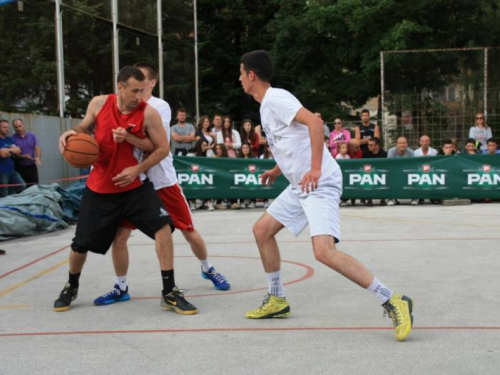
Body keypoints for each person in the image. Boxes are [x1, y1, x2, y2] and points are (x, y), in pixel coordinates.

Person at [239, 50, 413, 341]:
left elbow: (316, 124)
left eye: (241, 73)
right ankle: (277, 299)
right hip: (300, 184)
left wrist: (317, 168)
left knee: (323, 252)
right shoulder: (266, 106)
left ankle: (392, 298)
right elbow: (292, 144)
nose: (239, 78)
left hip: (318, 183)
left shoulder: (277, 99)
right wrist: (276, 169)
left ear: (251, 75)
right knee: (262, 230)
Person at [53, 66, 197, 314]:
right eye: (134, 91)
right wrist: (71, 133)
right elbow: (84, 128)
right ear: (120, 87)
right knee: (80, 244)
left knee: (164, 228)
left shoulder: (147, 113)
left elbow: (162, 148)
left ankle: (169, 292)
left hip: (133, 186)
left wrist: (137, 168)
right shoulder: (99, 104)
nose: (139, 96)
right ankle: (71, 285)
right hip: (100, 188)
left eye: (142, 91)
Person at [92, 63, 229, 308]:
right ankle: (120, 286)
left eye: (141, 78)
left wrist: (127, 137)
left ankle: (207, 268)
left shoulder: (158, 107)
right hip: (135, 184)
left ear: (151, 83)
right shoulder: (117, 105)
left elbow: (159, 145)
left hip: (162, 181)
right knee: (120, 237)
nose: (137, 83)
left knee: (189, 231)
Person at [387, 136, 417, 206]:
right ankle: (390, 198)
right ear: (397, 144)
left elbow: (414, 164)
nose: (402, 145)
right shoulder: (391, 151)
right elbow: (390, 164)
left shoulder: (411, 152)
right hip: (395, 173)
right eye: (400, 143)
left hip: (407, 172)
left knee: (414, 176)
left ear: (407, 144)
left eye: (404, 143)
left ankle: (414, 198)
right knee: (389, 178)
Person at [11, 118, 42, 185]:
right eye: (16, 127)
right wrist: (23, 156)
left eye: (20, 126)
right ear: (14, 128)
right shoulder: (12, 139)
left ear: (23, 125)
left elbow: (37, 147)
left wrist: (38, 158)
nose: (18, 128)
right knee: (22, 190)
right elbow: (14, 154)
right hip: (19, 168)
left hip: (31, 167)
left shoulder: (32, 136)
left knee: (34, 187)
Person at [0, 119, 25, 198]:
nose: (7, 129)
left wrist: (8, 151)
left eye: (8, 127)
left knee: (22, 185)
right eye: (4, 127)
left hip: (12, 170)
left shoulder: (9, 139)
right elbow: (2, 154)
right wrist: (12, 151)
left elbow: (18, 151)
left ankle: (10, 195)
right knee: (4, 194)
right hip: (2, 172)